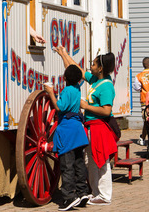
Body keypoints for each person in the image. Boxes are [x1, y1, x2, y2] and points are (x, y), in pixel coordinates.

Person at [54, 46, 117, 206]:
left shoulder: (106, 86)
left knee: (101, 160)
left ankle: (104, 195)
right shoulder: (96, 80)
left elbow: (107, 110)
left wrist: (86, 106)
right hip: (90, 126)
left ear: (100, 68)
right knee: (92, 161)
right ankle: (95, 193)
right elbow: (77, 71)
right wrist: (63, 54)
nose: (91, 67)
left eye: (94, 64)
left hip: (99, 126)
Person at [44, 64, 89, 211]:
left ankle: (69, 197)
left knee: (67, 166)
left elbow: (60, 107)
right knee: (79, 163)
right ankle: (82, 192)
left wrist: (51, 92)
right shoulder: (77, 89)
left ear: (64, 78)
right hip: (78, 130)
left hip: (67, 131)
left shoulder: (67, 90)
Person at [132, 57, 149, 146]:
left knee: (147, 120)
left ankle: (145, 138)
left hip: (145, 101)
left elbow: (137, 87)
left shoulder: (139, 76)